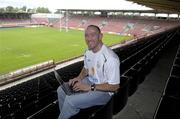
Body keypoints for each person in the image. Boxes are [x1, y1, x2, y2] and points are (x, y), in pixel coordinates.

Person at [57, 25, 120, 119]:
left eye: (93, 35)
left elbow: (114, 87)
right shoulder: (88, 51)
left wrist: (89, 87)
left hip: (104, 91)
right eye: (86, 35)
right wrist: (78, 78)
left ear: (100, 36)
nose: (89, 38)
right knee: (61, 90)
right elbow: (87, 68)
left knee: (70, 101)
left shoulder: (110, 58)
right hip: (90, 81)